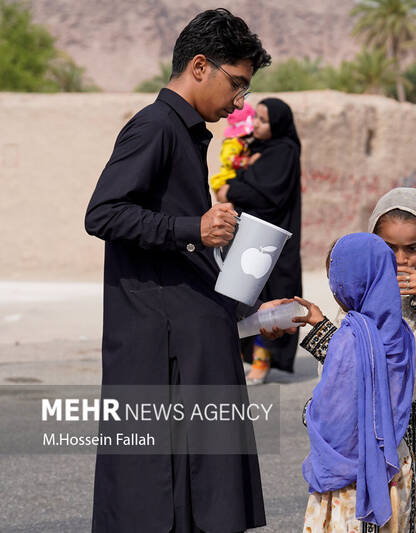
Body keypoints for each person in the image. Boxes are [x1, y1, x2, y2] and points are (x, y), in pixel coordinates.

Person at [84, 9, 271, 532]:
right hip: (159, 349)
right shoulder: (154, 127)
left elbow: (179, 246)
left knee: (201, 494)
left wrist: (250, 310)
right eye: (236, 84)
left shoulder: (185, 134)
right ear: (198, 66)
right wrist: (192, 226)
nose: (240, 102)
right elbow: (102, 213)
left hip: (188, 339)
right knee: (157, 495)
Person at [298, 188, 416, 532]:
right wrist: (320, 328)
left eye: (412, 249)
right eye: (389, 248)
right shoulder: (367, 280)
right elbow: (349, 360)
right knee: (388, 508)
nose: (401, 259)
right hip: (375, 416)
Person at [301, 233, 416, 532]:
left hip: (350, 483)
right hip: (394, 468)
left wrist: (308, 412)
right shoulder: (400, 333)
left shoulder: (351, 336)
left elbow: (333, 419)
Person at [217, 98, 303, 384]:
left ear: (278, 124)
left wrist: (231, 190)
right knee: (244, 295)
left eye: (264, 120)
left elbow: (269, 195)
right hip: (248, 238)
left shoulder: (284, 152)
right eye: (256, 118)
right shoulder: (253, 148)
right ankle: (244, 357)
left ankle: (263, 361)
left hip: (273, 241)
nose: (255, 124)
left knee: (271, 298)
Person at [209, 102, 256, 192]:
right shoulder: (231, 143)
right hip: (230, 175)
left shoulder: (243, 142)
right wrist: (246, 161)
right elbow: (228, 159)